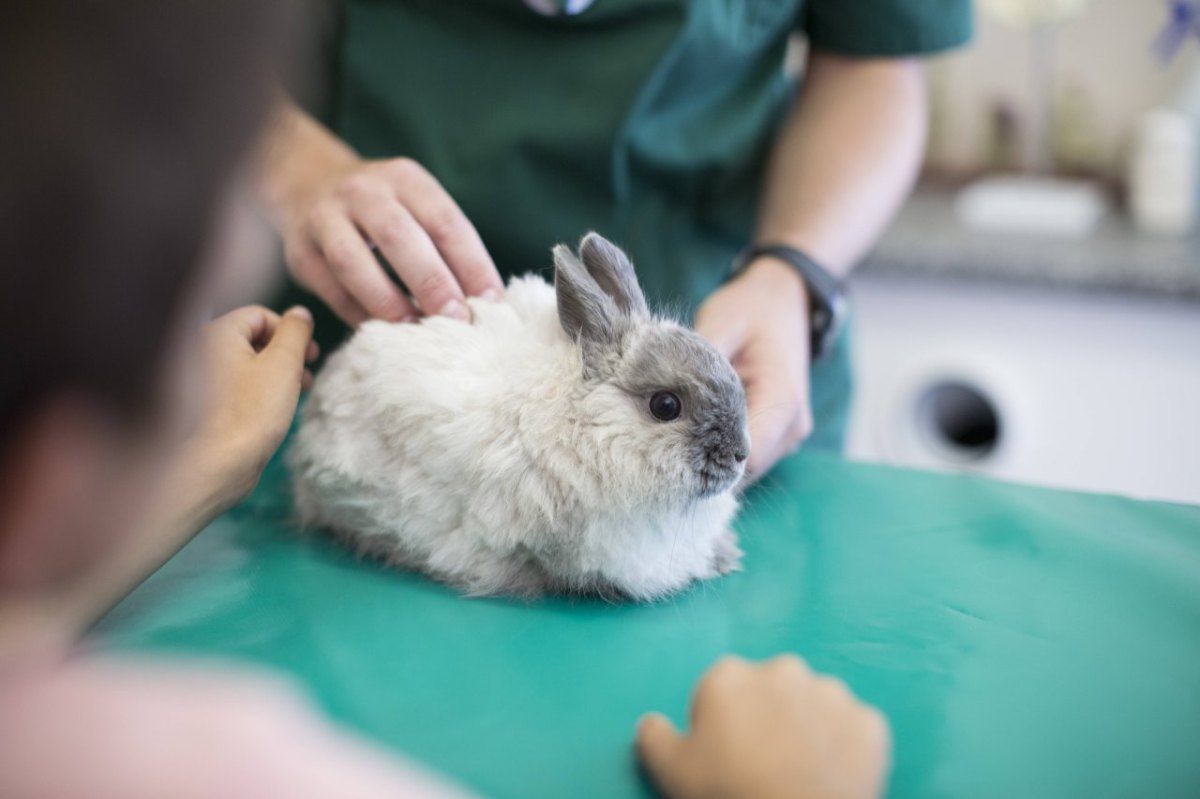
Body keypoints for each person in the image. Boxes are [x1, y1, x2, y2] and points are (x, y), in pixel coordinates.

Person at [0, 2, 889, 797]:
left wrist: (796, 269)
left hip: (736, 321)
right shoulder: (214, 764)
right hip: (364, 303)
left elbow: (883, 63)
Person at [260, 0, 972, 479]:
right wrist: (289, 162)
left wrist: (792, 269)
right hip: (371, 324)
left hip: (725, 301)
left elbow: (875, 61)